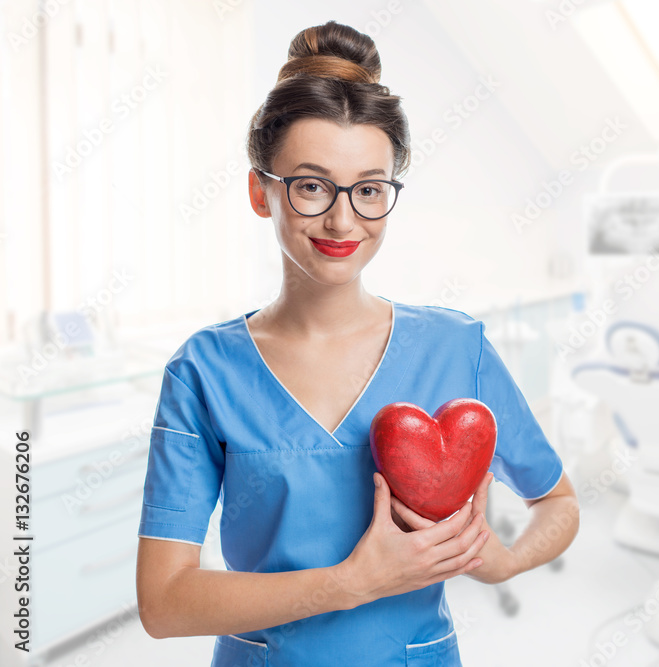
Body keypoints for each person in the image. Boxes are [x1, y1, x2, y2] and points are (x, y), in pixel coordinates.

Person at [134, 19, 579, 666]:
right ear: (262, 191)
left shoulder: (457, 347)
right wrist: (353, 582)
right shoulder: (205, 371)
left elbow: (558, 500)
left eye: (370, 189)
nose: (344, 220)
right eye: (312, 185)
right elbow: (164, 600)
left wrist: (499, 560)